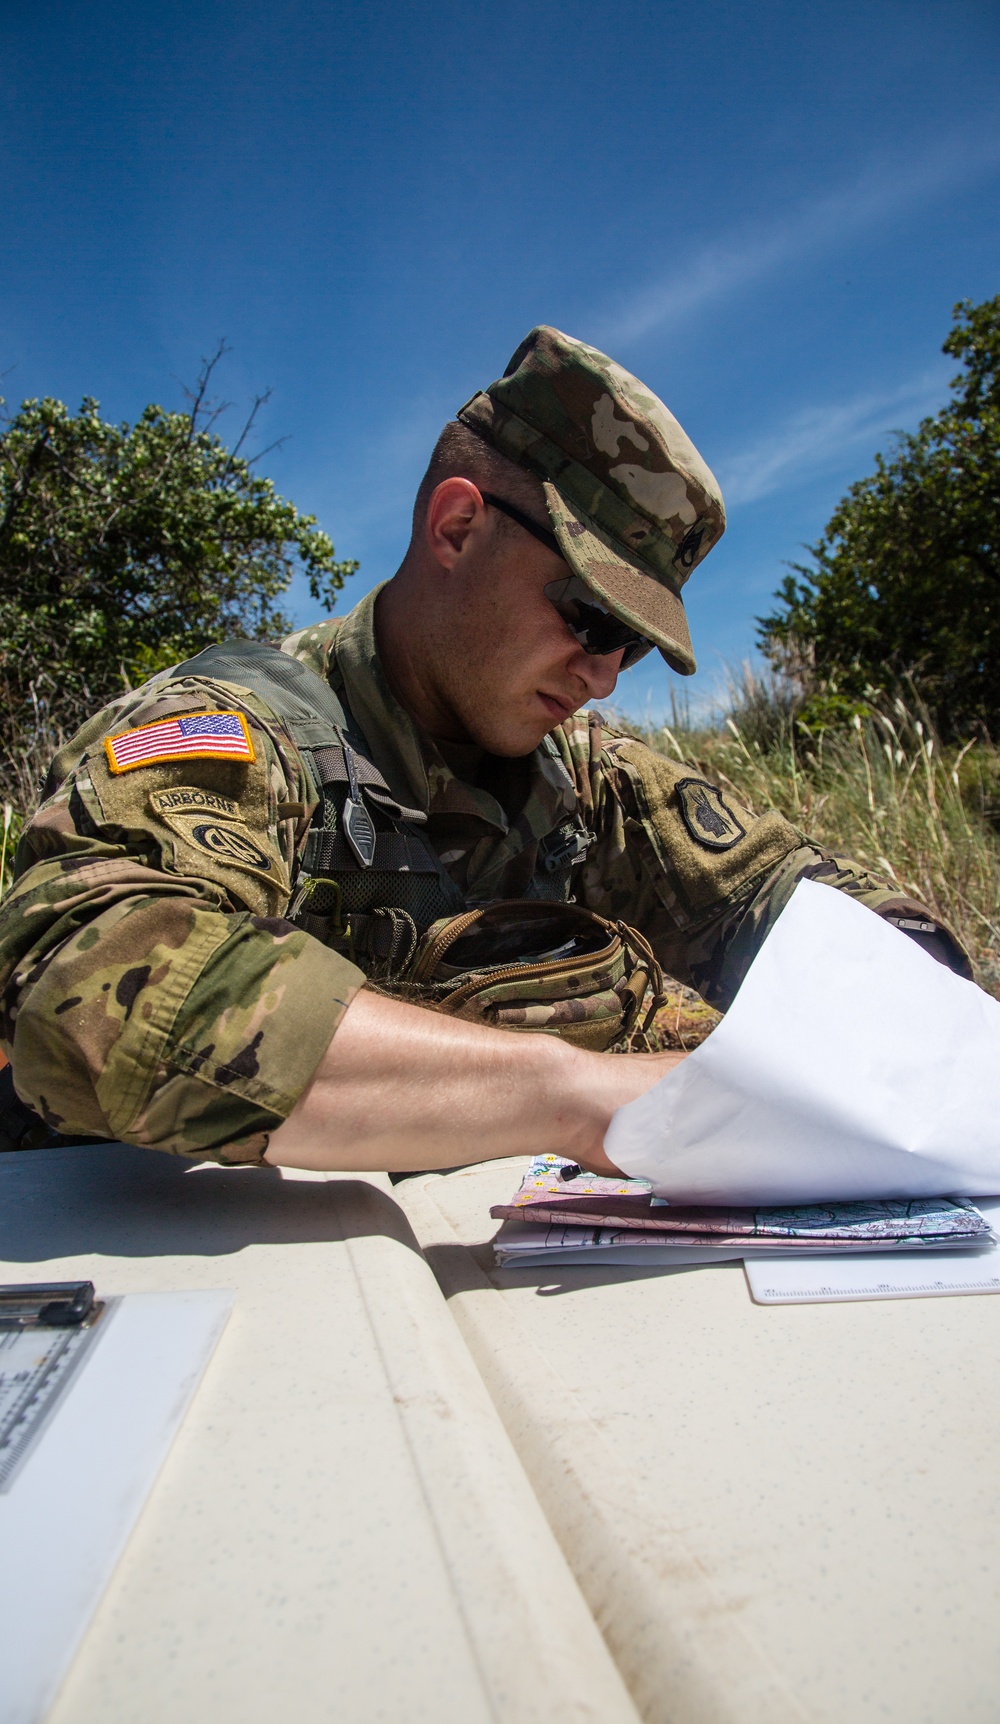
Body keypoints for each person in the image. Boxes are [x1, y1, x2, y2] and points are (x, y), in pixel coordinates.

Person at [0, 327, 967, 1174]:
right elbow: (81, 979)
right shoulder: (242, 735)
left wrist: (932, 1011)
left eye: (631, 645)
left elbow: (784, 895)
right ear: (456, 527)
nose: (604, 677)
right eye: (591, 617)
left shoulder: (582, 775)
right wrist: (574, 1092)